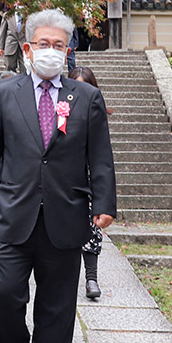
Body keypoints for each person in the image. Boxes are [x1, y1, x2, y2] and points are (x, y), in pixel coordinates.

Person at [0, 9, 116, 343]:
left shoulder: (86, 97)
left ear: (68, 50)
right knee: (4, 294)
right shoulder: (5, 92)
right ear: (28, 48)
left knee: (57, 306)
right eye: (42, 44)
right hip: (14, 213)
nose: (50, 51)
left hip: (65, 217)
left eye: (59, 45)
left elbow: (100, 157)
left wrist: (104, 204)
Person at [69, 66, 112, 301]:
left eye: (86, 86)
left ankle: (91, 278)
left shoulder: (96, 113)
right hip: (67, 180)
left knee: (93, 229)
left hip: (89, 181)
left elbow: (102, 156)